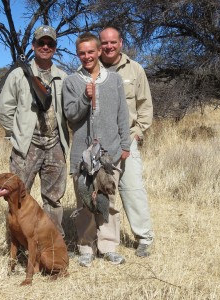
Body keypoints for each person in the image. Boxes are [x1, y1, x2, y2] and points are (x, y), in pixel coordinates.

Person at [62, 32, 131, 267]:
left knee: (108, 199)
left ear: (99, 51)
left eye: (91, 51)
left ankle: (109, 246)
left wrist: (125, 145)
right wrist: (84, 97)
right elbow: (71, 116)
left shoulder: (114, 80)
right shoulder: (71, 82)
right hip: (82, 153)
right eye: (82, 53)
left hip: (110, 151)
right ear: (77, 54)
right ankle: (85, 247)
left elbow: (123, 114)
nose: (87, 56)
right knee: (85, 202)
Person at [0, 25, 69, 237]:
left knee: (53, 199)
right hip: (26, 147)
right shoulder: (19, 75)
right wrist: (16, 136)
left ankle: (53, 244)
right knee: (17, 196)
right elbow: (4, 110)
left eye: (50, 43)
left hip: (55, 145)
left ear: (55, 48)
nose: (45, 47)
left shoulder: (63, 77)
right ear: (33, 45)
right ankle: (18, 245)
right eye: (41, 42)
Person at [99, 26, 154, 257]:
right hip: (100, 142)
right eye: (104, 43)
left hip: (127, 138)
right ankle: (103, 241)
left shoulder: (135, 69)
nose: (109, 47)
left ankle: (144, 238)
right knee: (103, 192)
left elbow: (145, 105)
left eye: (113, 42)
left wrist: (137, 133)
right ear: (100, 44)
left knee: (132, 190)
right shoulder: (92, 67)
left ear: (120, 42)